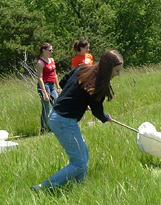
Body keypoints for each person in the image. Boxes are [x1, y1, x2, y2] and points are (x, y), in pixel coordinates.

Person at [32, 50, 124, 192]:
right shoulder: (98, 84)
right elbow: (97, 111)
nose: (118, 74)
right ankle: (43, 188)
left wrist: (79, 100)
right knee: (79, 163)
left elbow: (63, 82)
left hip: (56, 115)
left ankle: (78, 188)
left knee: (83, 155)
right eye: (117, 70)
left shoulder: (82, 69)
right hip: (64, 121)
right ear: (107, 68)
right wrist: (106, 117)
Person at [36, 43, 61, 134]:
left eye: (52, 50)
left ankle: (54, 126)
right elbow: (40, 78)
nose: (51, 52)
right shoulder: (40, 62)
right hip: (45, 85)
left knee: (57, 105)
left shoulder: (52, 60)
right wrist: (44, 92)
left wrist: (57, 86)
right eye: (49, 50)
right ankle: (44, 129)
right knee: (46, 107)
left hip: (52, 85)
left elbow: (55, 74)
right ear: (44, 50)